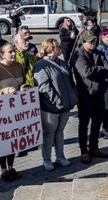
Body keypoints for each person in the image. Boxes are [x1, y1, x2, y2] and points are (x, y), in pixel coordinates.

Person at [0, 41, 29, 180]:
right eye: (10, 52)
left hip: (17, 110)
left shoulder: (18, 66)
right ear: (2, 54)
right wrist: (4, 91)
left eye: (14, 51)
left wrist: (24, 88)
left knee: (13, 139)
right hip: (2, 113)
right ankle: (3, 169)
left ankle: (11, 167)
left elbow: (23, 83)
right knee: (4, 140)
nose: (14, 54)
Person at [33, 38, 77, 170]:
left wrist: (73, 97)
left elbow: (70, 81)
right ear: (52, 49)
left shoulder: (62, 63)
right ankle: (46, 159)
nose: (61, 48)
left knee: (60, 131)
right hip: (51, 108)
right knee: (49, 133)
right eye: (58, 46)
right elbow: (44, 87)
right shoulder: (41, 65)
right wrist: (57, 101)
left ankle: (60, 156)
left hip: (65, 105)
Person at [73, 32, 108, 164]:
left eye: (94, 41)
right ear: (83, 42)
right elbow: (86, 72)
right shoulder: (78, 55)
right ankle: (84, 150)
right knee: (83, 125)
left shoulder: (99, 52)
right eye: (90, 41)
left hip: (99, 94)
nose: (93, 43)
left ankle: (94, 147)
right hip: (85, 96)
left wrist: (96, 70)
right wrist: (100, 70)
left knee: (97, 123)